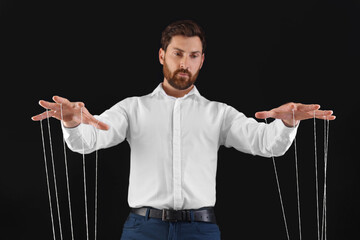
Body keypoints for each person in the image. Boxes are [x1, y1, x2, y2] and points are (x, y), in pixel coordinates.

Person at [32, 20, 335, 240]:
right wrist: (72, 123)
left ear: (202, 60)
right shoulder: (132, 108)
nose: (184, 63)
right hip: (143, 229)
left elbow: (266, 144)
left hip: (200, 229)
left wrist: (287, 122)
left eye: (193, 56)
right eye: (178, 53)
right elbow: (88, 141)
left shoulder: (218, 114)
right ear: (162, 55)